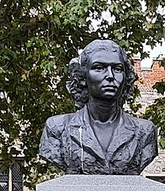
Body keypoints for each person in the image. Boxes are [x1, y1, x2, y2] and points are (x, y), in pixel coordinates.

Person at [39, 39, 158, 175]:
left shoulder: (145, 131)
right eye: (99, 68)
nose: (110, 76)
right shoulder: (57, 128)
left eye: (117, 69)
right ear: (83, 76)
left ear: (126, 77)